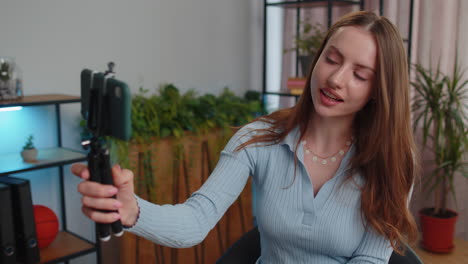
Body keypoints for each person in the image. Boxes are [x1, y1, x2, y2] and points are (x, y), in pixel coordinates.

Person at [72, 10, 418, 263]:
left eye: (359, 74)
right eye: (332, 59)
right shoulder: (257, 140)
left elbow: (370, 260)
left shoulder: (391, 163)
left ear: (378, 91)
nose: (336, 79)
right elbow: (194, 222)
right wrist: (132, 211)